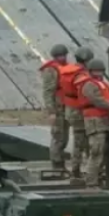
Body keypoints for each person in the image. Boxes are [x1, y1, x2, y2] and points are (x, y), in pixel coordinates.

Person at [79, 58, 109, 188]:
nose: (98, 73)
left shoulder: (104, 84)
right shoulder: (89, 85)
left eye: (100, 71)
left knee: (102, 152)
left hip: (103, 120)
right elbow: (99, 102)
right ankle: (91, 182)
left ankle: (95, 178)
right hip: (95, 121)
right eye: (95, 71)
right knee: (96, 151)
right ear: (90, 72)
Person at [38, 44, 73, 172]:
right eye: (59, 56)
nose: (62, 58)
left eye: (63, 55)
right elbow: (48, 92)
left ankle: (60, 164)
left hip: (66, 107)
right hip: (57, 108)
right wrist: (51, 112)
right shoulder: (50, 70)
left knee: (65, 137)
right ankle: (57, 165)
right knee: (58, 137)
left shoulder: (66, 68)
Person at [61, 46, 94, 177]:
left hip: (70, 109)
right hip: (79, 111)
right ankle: (76, 170)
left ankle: (82, 168)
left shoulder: (67, 71)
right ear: (86, 60)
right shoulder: (81, 75)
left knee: (80, 140)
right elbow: (85, 94)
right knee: (80, 142)